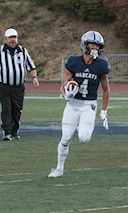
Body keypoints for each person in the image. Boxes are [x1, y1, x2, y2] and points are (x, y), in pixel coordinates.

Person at [48, 31, 110, 178]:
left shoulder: (102, 65)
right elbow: (64, 85)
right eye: (92, 44)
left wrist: (104, 110)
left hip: (89, 105)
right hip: (73, 104)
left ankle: (80, 125)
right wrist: (66, 94)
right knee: (66, 137)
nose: (95, 47)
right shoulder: (73, 61)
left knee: (84, 138)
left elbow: (106, 89)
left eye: (97, 45)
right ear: (85, 45)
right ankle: (59, 168)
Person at [0, 28, 39, 140]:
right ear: (5, 39)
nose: (13, 40)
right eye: (10, 37)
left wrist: (34, 78)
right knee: (6, 109)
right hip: (4, 86)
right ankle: (7, 132)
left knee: (17, 110)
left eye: (14, 37)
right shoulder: (0, 51)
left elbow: (30, 65)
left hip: (18, 87)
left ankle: (14, 131)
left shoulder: (22, 51)